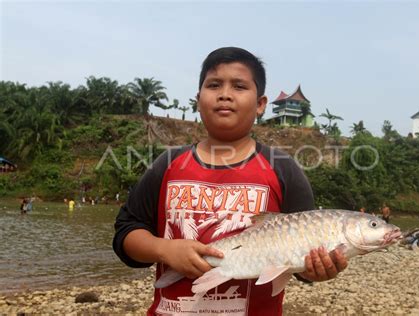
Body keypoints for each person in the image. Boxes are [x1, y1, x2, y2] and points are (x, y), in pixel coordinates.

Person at [113, 47, 348, 316]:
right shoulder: (167, 165)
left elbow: (300, 266)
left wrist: (317, 270)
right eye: (214, 85)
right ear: (198, 99)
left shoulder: (284, 170)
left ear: (260, 104)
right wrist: (164, 249)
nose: (225, 94)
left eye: (239, 86)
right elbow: (125, 234)